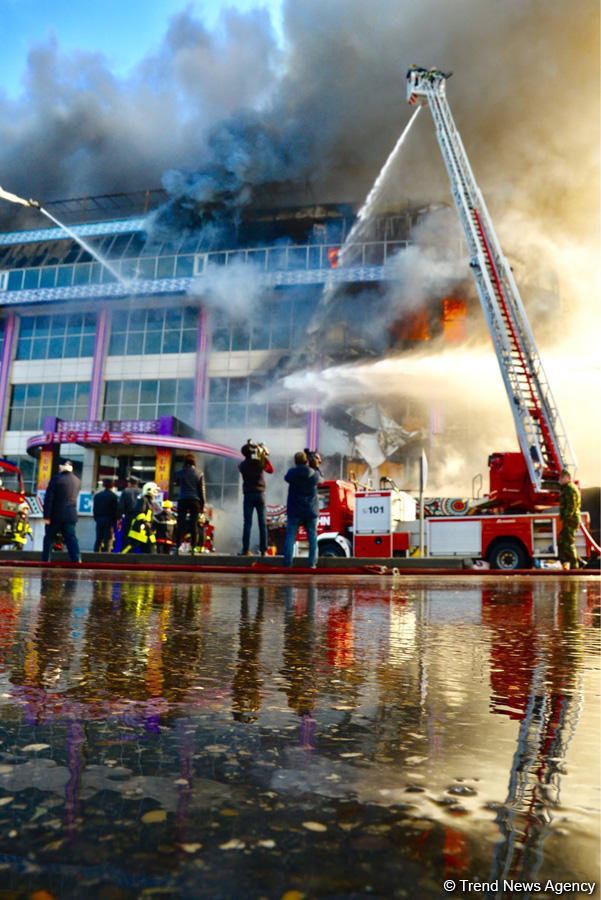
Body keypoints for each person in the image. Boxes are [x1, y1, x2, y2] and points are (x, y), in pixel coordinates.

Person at [283, 450, 323, 568]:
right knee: (312, 538)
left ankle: (287, 563)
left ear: (295, 462)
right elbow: (322, 480)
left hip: (295, 511)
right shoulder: (314, 474)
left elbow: (286, 478)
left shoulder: (291, 473)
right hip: (310, 511)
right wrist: (316, 466)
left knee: (290, 537)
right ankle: (312, 564)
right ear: (307, 461)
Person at [42, 459, 81, 563]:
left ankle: (46, 560)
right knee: (71, 539)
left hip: (56, 515)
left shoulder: (56, 479)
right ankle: (77, 560)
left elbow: (49, 499)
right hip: (71, 514)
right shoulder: (77, 480)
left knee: (49, 539)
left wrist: (46, 516)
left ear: (62, 467)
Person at [238, 439, 273, 556]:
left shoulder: (242, 465)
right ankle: (264, 550)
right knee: (262, 524)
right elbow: (270, 470)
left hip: (248, 494)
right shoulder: (260, 462)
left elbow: (242, 465)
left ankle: (245, 550)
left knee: (247, 523)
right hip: (260, 494)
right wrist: (265, 455)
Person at [175, 454, 205, 552]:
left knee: (180, 523)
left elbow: (177, 483)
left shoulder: (179, 472)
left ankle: (178, 546)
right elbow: (202, 490)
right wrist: (203, 504)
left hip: (182, 499)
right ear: (194, 462)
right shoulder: (199, 473)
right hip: (195, 500)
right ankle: (193, 547)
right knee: (194, 524)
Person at [122, 482, 159, 554]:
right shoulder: (143, 500)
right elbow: (140, 513)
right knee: (129, 549)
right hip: (139, 531)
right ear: (149, 490)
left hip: (147, 531)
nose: (156, 494)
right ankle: (119, 561)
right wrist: (145, 523)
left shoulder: (149, 502)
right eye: (154, 491)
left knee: (151, 551)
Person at [558, 468, 582, 569]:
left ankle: (575, 565)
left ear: (568, 478)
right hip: (570, 519)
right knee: (562, 542)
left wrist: (566, 517)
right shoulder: (567, 488)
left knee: (568, 543)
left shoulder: (569, 488)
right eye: (560, 478)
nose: (560, 480)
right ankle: (577, 562)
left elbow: (571, 506)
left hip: (571, 519)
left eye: (563, 477)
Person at [93, 478, 119, 552]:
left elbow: (95, 509)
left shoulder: (98, 496)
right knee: (108, 540)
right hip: (109, 521)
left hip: (99, 519)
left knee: (98, 539)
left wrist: (97, 518)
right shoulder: (114, 496)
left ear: (104, 485)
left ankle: (95, 556)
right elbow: (115, 510)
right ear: (112, 486)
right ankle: (106, 556)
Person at [117, 475, 141, 544]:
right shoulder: (141, 492)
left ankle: (126, 551)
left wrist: (119, 518)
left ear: (130, 483)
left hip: (129, 516)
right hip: (139, 518)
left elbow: (121, 506)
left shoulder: (126, 491)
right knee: (136, 536)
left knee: (126, 535)